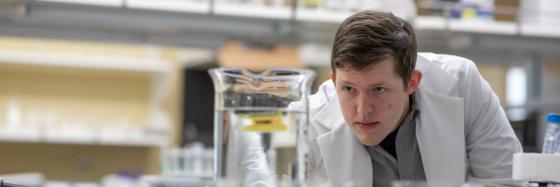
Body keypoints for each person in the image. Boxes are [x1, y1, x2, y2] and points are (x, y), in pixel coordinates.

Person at [301, 11, 523, 187]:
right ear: (333, 80)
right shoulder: (307, 120)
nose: (362, 110)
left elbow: (506, 180)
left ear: (412, 81)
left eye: (378, 89)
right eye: (348, 89)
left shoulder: (463, 84)